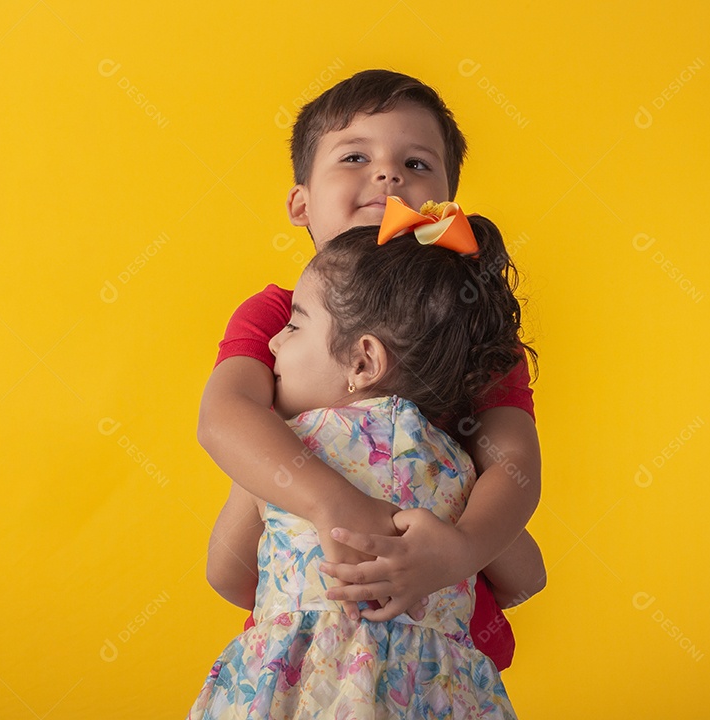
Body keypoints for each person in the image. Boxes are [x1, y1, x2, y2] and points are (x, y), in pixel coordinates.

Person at [198, 71, 546, 671]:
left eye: (416, 163)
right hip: (310, 626)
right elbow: (225, 416)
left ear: (444, 206)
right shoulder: (278, 317)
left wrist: (459, 549)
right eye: (355, 155)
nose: (388, 175)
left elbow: (515, 466)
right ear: (300, 201)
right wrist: (335, 504)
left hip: (441, 651)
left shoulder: (475, 329)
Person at [188, 202, 536, 718]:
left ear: (362, 361)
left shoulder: (284, 453)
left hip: (301, 689)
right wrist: (457, 554)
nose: (275, 340)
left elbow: (227, 573)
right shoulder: (462, 473)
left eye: (295, 326)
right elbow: (528, 578)